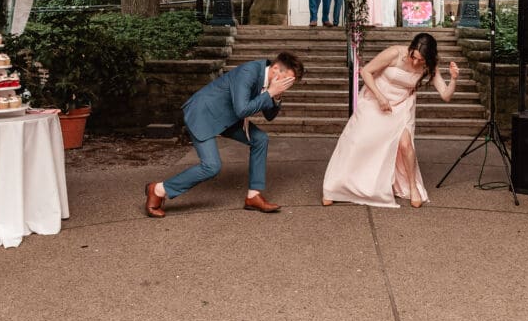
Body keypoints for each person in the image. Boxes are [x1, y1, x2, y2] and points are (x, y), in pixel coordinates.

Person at [145, 52, 305, 217]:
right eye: (287, 80)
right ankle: (158, 189)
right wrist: (270, 93)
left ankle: (253, 196)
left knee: (260, 139)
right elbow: (242, 109)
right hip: (203, 113)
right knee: (211, 167)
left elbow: (269, 116)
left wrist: (276, 97)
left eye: (290, 83)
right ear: (276, 68)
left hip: (226, 116)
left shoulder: (269, 82)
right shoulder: (249, 72)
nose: (286, 85)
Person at [322, 33, 459, 208]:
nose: (416, 63)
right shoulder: (394, 53)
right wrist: (380, 97)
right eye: (413, 57)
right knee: (357, 142)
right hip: (375, 98)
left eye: (421, 60)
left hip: (401, 105)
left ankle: (412, 187)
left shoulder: (430, 66)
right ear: (409, 50)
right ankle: (334, 188)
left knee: (405, 145)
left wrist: (454, 79)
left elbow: (446, 95)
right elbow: (366, 71)